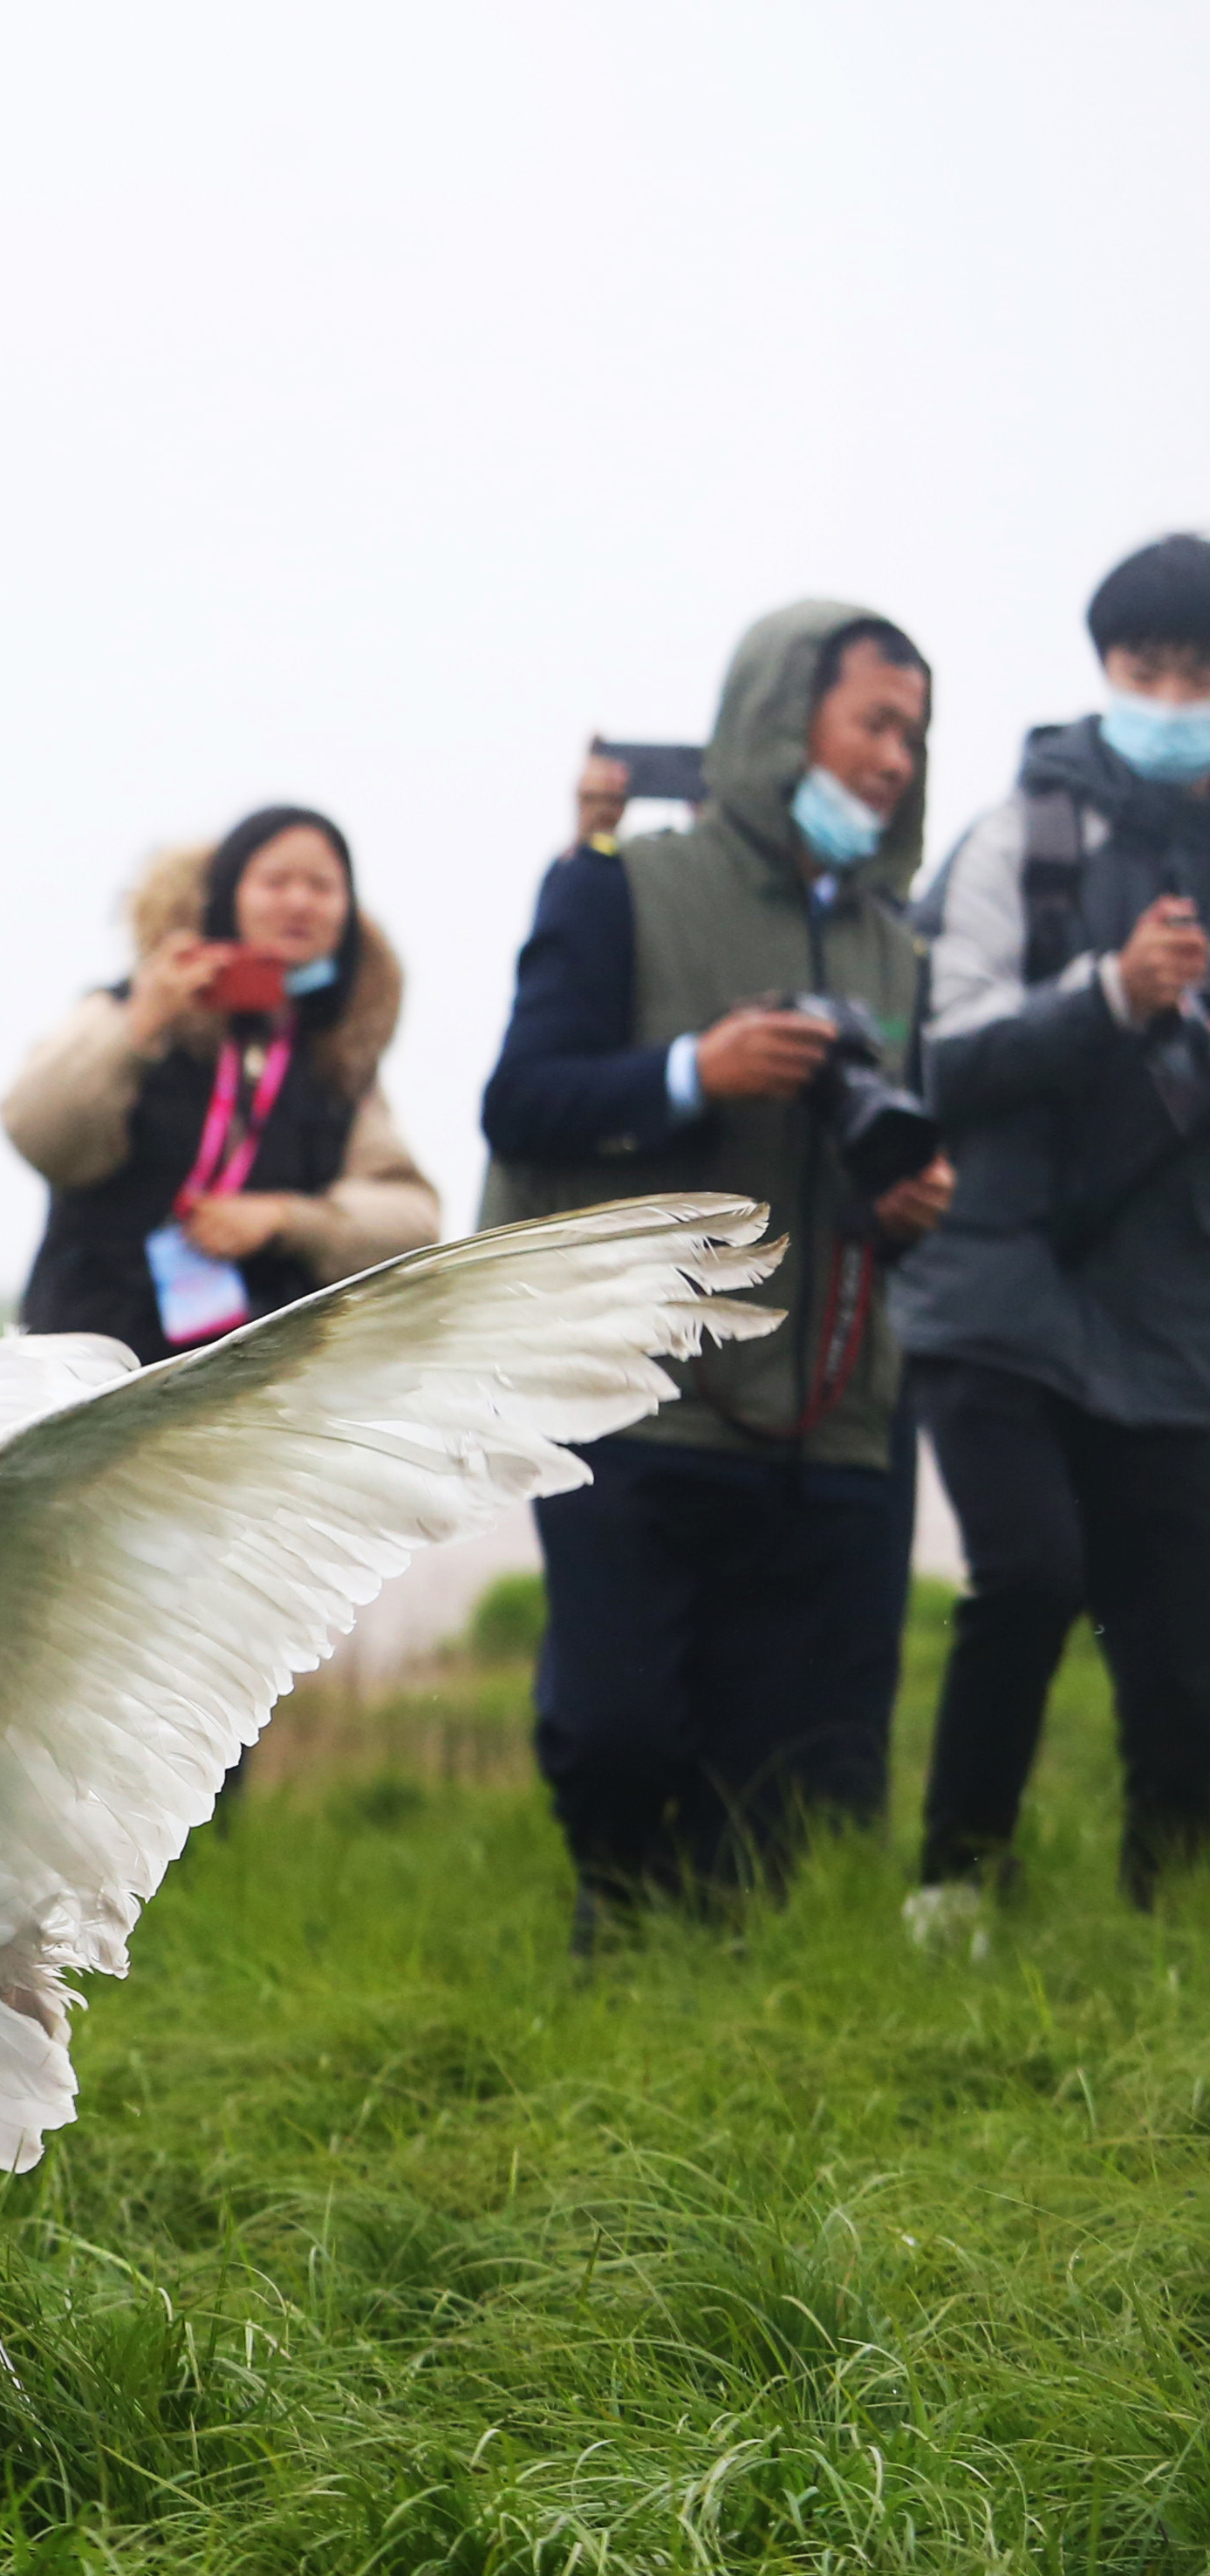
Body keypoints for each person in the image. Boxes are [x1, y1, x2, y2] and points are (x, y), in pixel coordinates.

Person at [481, 599, 954, 1941]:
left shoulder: (896, 941)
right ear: (774, 721)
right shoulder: (616, 886)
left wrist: (916, 1196)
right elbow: (521, 1103)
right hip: (639, 1399)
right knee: (622, 1732)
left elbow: (892, 1140)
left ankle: (736, 2042)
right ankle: (614, 1954)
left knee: (804, 1787)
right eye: (873, 720)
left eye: (914, 735)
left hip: (832, 1412)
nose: (895, 759)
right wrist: (699, 1071)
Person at [892, 535, 1210, 1936]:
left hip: (1171, 1307)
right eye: (1149, 667)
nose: (1172, 694)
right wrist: (1108, 993)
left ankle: (1175, 1912)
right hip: (997, 1286)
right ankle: (957, 1886)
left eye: (1199, 672)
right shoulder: (1017, 830)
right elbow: (944, 1054)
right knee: (1029, 1576)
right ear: (1103, 666)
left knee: (1181, 1643)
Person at [1, 807, 441, 1361]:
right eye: (275, 881)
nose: (299, 901)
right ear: (228, 894)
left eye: (322, 886)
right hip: (86, 1354)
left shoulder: (338, 1057)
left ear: (346, 912)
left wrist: (287, 1219)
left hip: (246, 1375)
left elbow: (414, 1220)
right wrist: (140, 1022)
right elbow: (40, 1135)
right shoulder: (128, 1008)